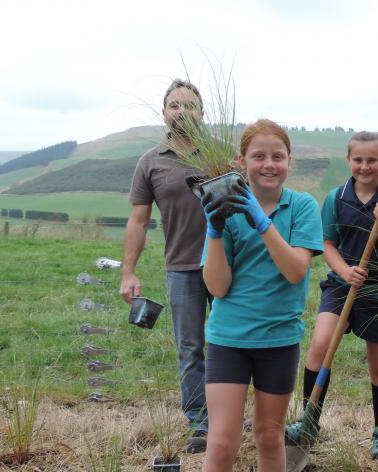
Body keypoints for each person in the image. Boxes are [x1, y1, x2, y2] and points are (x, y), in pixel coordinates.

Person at [286, 132, 378, 460]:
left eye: (372, 160)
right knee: (319, 347)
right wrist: (345, 272)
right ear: (348, 161)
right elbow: (327, 244)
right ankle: (309, 420)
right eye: (358, 160)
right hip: (342, 285)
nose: (364, 166)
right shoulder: (336, 197)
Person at [200, 119, 323, 471]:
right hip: (229, 340)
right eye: (258, 156)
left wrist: (261, 221)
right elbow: (217, 287)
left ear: (290, 162)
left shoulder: (302, 207)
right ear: (241, 161)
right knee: (222, 442)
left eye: (278, 156)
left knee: (270, 437)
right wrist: (215, 231)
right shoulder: (223, 209)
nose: (269, 164)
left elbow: (295, 270)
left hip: (278, 340)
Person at [121, 78, 210, 452]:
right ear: (165, 113)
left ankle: (229, 413)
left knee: (229, 346)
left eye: (189, 105)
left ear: (202, 113)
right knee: (190, 349)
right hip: (182, 268)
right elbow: (138, 221)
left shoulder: (221, 155)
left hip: (230, 268)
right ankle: (200, 423)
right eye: (175, 105)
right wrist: (128, 271)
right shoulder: (151, 161)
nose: (182, 112)